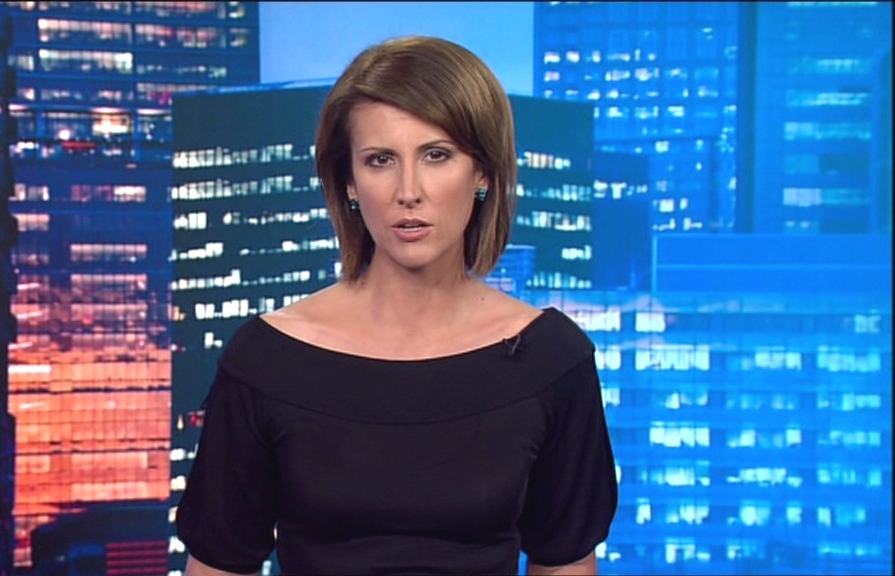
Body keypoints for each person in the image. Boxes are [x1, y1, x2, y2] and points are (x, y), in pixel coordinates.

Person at [177, 35, 618, 576]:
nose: (409, 191)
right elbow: (220, 564)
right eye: (381, 160)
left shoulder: (551, 359)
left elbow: (565, 562)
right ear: (350, 183)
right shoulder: (266, 359)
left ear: (483, 174)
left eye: (437, 155)